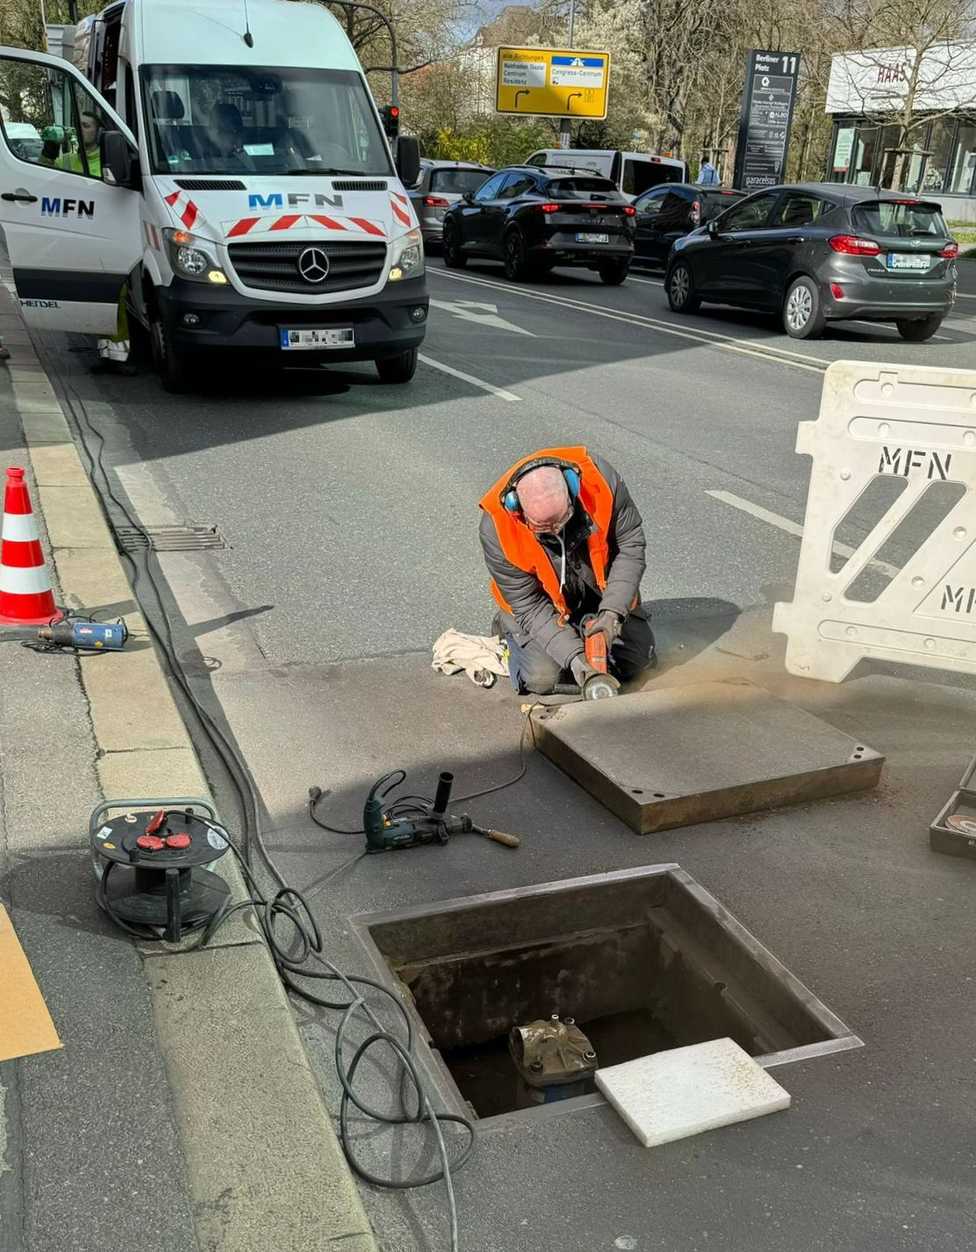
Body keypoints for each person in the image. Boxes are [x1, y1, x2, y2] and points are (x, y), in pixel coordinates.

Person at [480, 446, 655, 695]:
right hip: (540, 605)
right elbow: (529, 605)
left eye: (561, 521)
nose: (555, 532)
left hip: (596, 589)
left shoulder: (600, 481)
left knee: (638, 661)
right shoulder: (497, 528)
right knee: (542, 678)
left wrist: (611, 614)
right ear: (516, 507)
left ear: (572, 488)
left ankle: (588, 624)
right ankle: (507, 630)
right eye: (543, 527)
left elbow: (630, 545)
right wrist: (575, 658)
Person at [207, 102, 254, 170]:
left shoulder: (242, 159)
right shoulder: (204, 156)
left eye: (212, 126)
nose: (210, 131)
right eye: (210, 127)